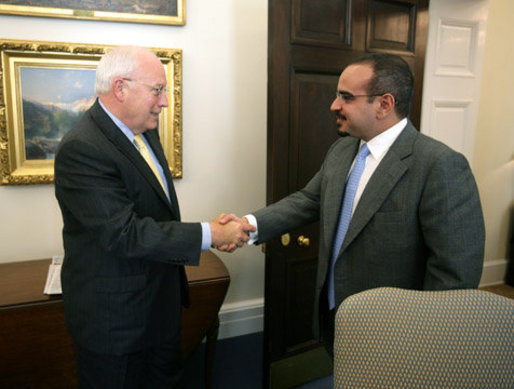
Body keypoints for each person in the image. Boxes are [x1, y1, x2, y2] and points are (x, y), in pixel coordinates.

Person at [220, 53, 485, 355]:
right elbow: (308, 200)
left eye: (346, 97)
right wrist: (248, 225)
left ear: (385, 104)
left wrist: (424, 344)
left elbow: (455, 275)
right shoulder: (342, 150)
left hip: (398, 334)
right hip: (336, 317)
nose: (334, 105)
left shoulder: (439, 165)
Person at [54, 46, 254, 388]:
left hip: (159, 311)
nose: (164, 101)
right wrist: (212, 234)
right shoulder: (82, 148)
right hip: (117, 328)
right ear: (121, 88)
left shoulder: (144, 129)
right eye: (158, 90)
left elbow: (155, 212)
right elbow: (124, 233)